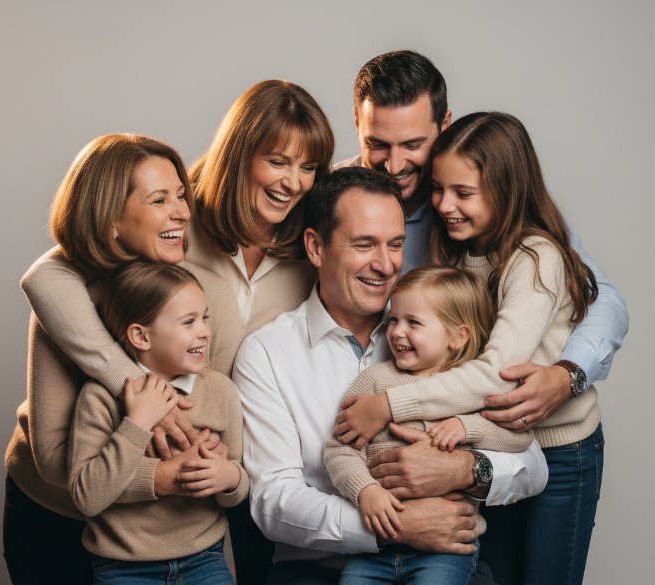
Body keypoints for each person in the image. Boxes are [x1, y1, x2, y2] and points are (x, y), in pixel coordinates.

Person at [335, 51, 627, 545]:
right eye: (376, 144)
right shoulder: (339, 196)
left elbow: (603, 301)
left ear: (444, 126)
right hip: (436, 429)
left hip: (507, 431)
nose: (395, 164)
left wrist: (567, 374)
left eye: (413, 144)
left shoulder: (506, 222)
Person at [233, 167, 548, 585]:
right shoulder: (267, 354)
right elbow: (274, 502)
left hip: (443, 557)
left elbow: (534, 466)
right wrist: (393, 525)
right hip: (316, 568)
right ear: (315, 247)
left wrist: (464, 469)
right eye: (364, 244)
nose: (384, 265)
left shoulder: (437, 334)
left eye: (395, 245)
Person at [3, 134, 232, 584]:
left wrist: (204, 462)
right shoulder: (67, 301)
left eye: (181, 196)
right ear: (110, 221)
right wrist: (164, 470)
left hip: (166, 538)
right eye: (159, 199)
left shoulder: (200, 297)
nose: (183, 212)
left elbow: (201, 423)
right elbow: (55, 463)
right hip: (57, 517)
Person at [184, 78, 336, 582]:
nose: (293, 182)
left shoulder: (309, 250)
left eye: (308, 167)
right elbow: (58, 272)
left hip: (248, 471)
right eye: (277, 161)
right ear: (239, 154)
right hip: (150, 463)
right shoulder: (175, 218)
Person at [323, 266, 533, 585]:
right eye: (393, 319)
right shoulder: (375, 380)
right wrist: (365, 491)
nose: (396, 332)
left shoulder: (471, 389)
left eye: (413, 323)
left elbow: (519, 437)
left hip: (446, 549)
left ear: (457, 336)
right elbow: (339, 449)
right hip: (373, 550)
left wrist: (467, 427)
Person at [69, 262, 247, 585]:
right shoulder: (100, 398)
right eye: (188, 322)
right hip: (123, 566)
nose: (205, 331)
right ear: (141, 336)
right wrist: (138, 423)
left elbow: (239, 482)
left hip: (205, 560)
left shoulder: (221, 392)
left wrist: (229, 477)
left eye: (204, 317)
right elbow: (87, 495)